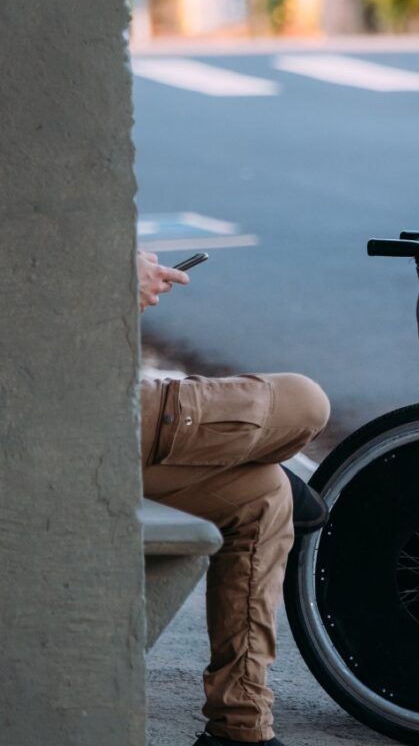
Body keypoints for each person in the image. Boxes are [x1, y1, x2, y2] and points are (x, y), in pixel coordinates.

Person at [137, 250, 331, 746]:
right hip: (63, 421)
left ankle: (239, 729)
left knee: (262, 496)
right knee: (306, 402)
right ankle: (239, 451)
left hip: (84, 419)